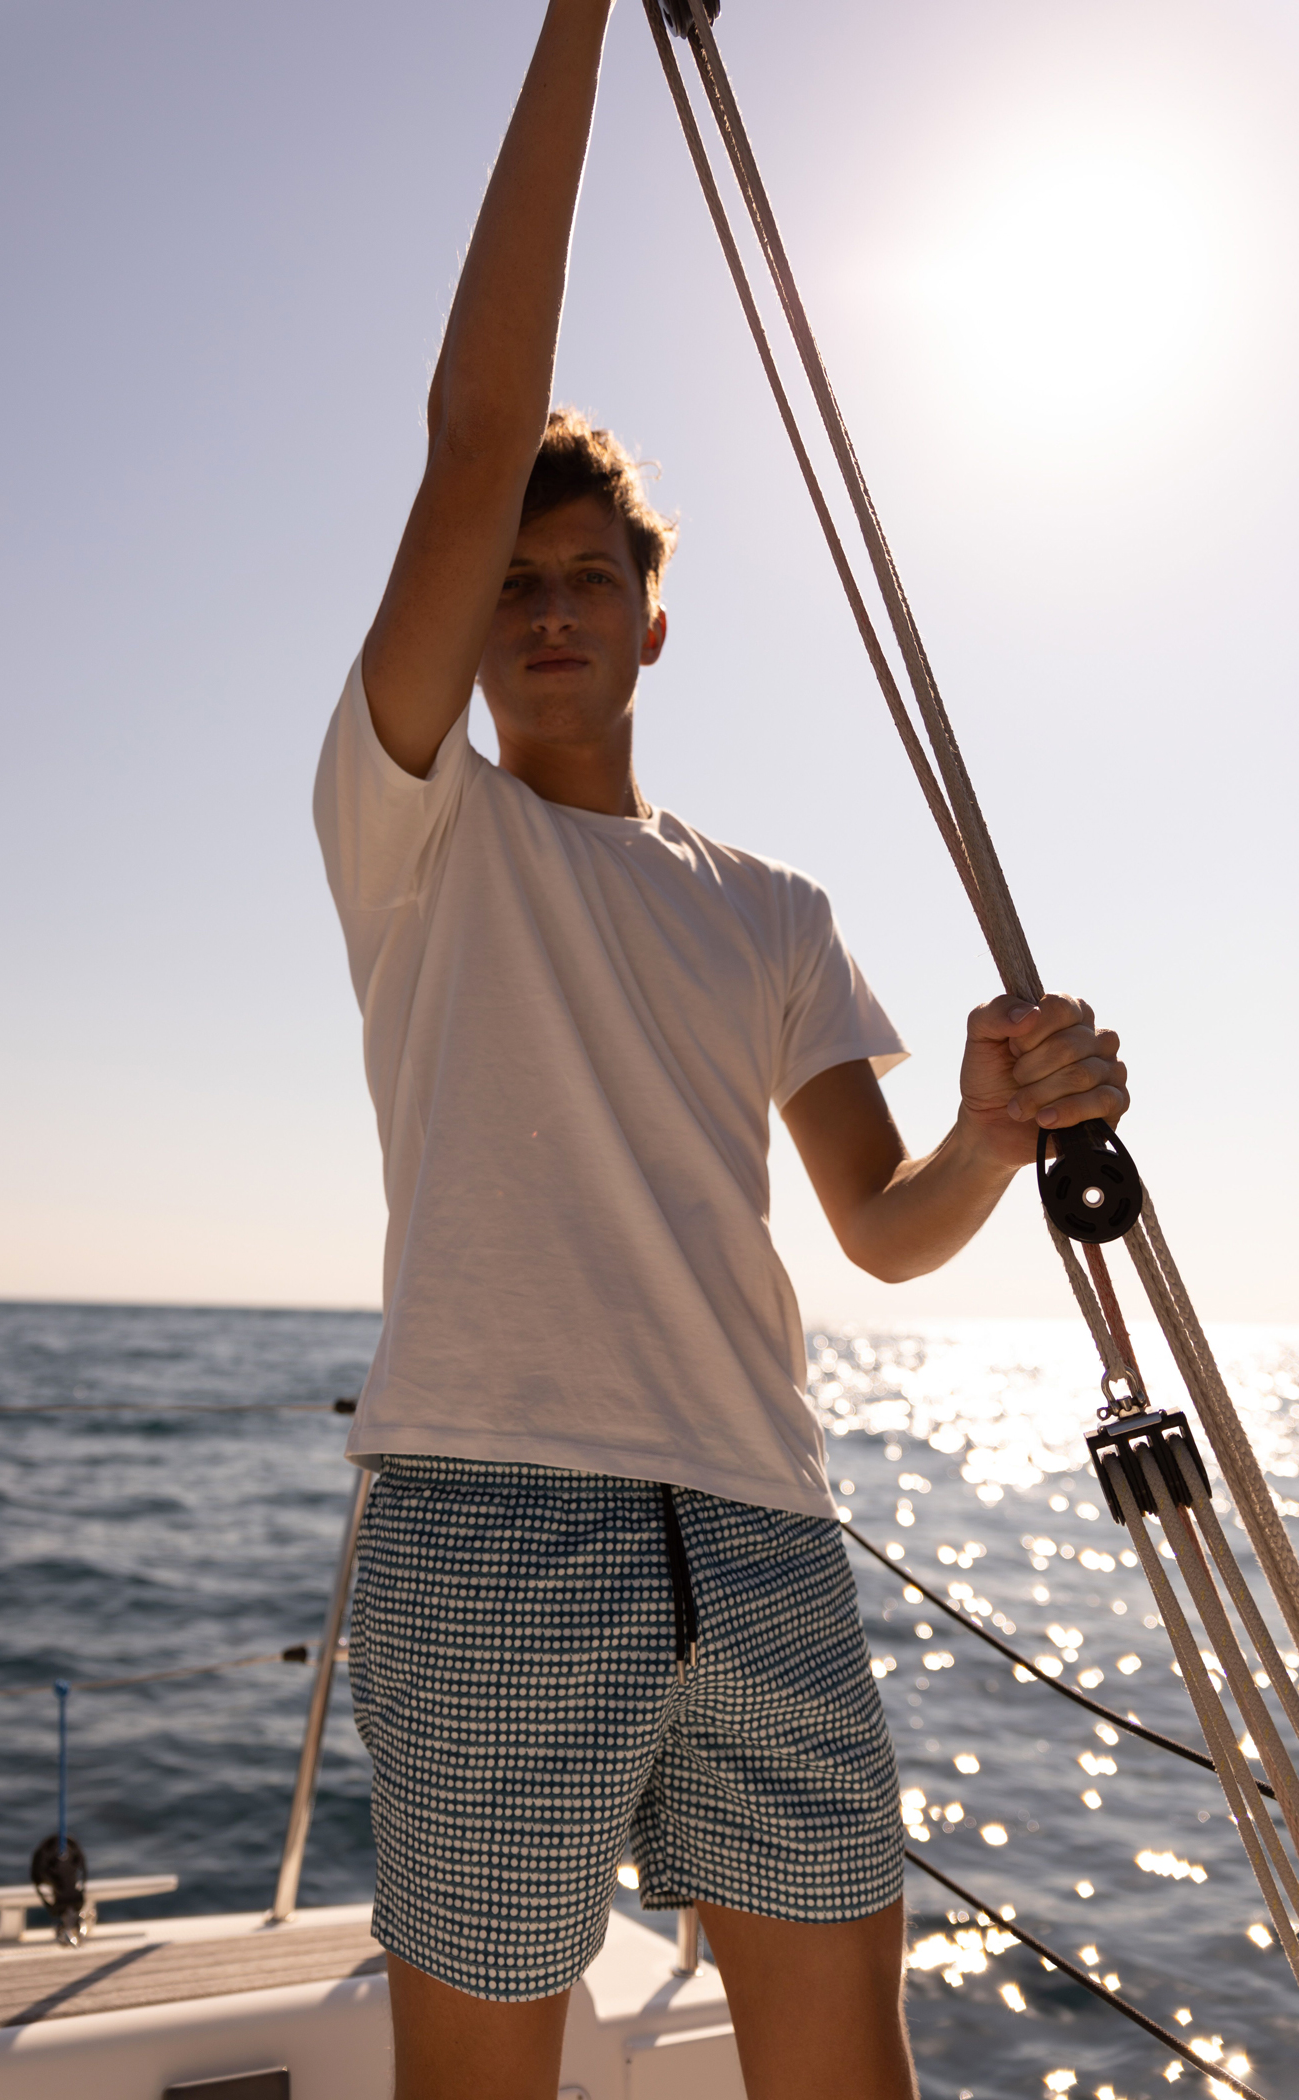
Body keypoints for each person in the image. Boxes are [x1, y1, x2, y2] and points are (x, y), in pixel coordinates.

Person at [313, 5, 1129, 2095]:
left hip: (765, 1532)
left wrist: (986, 1134)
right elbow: (472, 431)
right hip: (495, 1520)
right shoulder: (416, 829)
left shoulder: (770, 909)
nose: (544, 609)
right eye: (511, 583)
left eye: (587, 580)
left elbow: (883, 1227)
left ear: (652, 621)